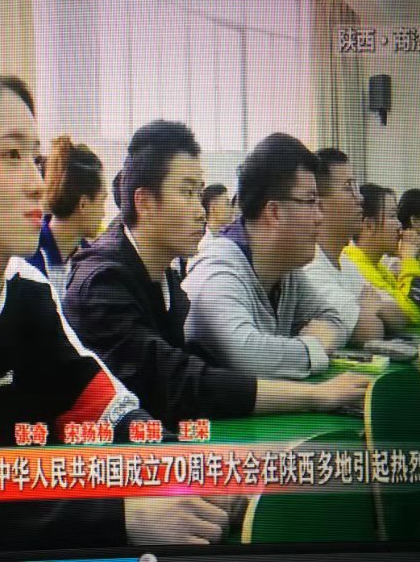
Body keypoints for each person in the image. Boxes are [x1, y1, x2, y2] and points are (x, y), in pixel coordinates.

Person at [0, 71, 239, 554]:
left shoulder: (29, 289)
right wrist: (121, 517)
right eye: (12, 156)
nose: (38, 184)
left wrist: (187, 465)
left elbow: (109, 410)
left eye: (34, 159)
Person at [64, 122, 369, 429]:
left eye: (198, 193)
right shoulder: (101, 283)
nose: (200, 211)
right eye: (187, 193)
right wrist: (314, 395)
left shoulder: (164, 277)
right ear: (144, 202)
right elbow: (179, 384)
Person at [183, 133, 347, 379]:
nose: (320, 217)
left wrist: (325, 337)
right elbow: (246, 355)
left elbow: (334, 321)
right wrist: (314, 346)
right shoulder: (217, 268)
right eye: (311, 201)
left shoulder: (286, 270)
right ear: (274, 212)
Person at [303, 148, 384, 346]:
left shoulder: (345, 262)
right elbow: (369, 330)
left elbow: (400, 314)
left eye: (356, 187)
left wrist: (369, 310)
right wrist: (368, 311)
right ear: (319, 204)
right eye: (349, 188)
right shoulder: (310, 267)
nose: (360, 198)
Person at [26, 136, 107, 298]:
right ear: (83, 204)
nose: (104, 214)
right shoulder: (27, 256)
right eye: (102, 201)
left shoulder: (91, 261)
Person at [340, 184, 420, 329]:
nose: (399, 225)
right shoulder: (356, 267)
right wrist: (409, 260)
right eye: (392, 216)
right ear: (369, 224)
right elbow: (413, 313)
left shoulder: (376, 265)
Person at [197, 183, 233, 251]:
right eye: (227, 203)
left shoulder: (228, 237)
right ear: (213, 208)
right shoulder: (205, 245)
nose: (231, 209)